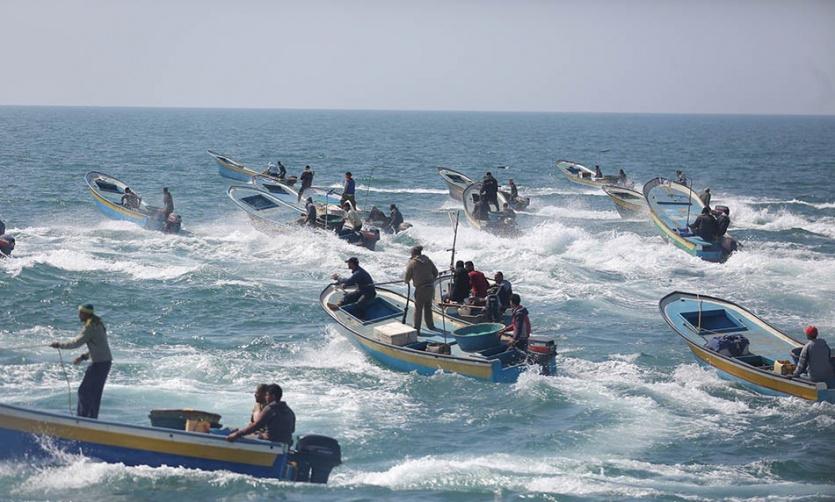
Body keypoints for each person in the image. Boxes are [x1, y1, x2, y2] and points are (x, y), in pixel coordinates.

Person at [49, 304, 112, 419]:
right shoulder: (98, 323)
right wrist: (83, 357)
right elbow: (99, 346)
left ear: (86, 314)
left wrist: (59, 345)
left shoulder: (90, 327)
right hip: (105, 362)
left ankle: (82, 419)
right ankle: (91, 419)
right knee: (94, 393)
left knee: (84, 391)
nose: (79, 315)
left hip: (99, 364)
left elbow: (76, 343)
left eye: (80, 313)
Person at [227, 384, 295, 444]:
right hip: (285, 444)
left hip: (271, 443)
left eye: (267, 395)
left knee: (239, 435)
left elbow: (255, 426)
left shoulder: (270, 408)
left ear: (273, 396)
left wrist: (237, 434)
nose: (265, 397)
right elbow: (292, 430)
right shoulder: (290, 411)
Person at [404, 246, 439, 334]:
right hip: (430, 287)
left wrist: (407, 281)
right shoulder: (428, 260)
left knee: (418, 309)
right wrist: (430, 280)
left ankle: (417, 329)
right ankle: (430, 326)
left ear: (413, 253)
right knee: (428, 307)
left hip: (421, 289)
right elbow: (436, 273)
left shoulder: (412, 263)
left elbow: (407, 277)